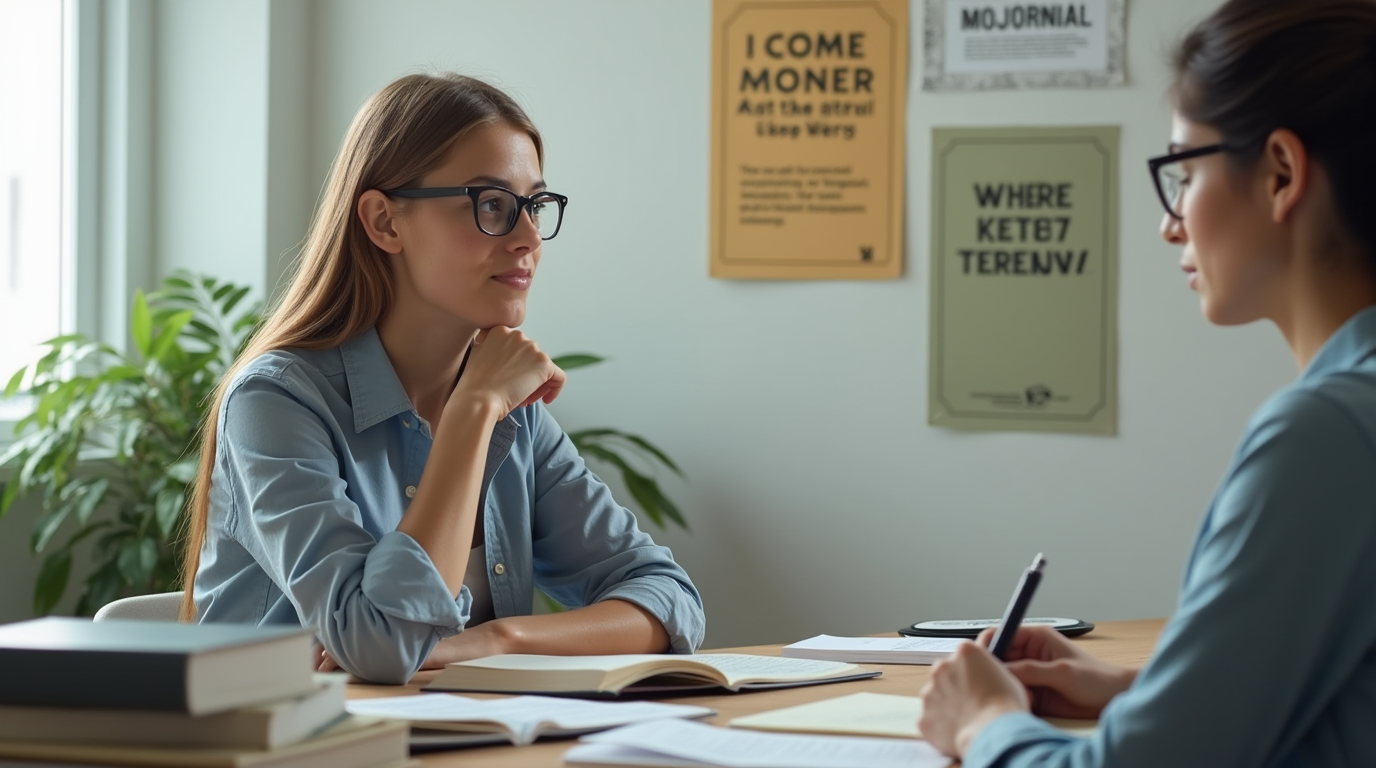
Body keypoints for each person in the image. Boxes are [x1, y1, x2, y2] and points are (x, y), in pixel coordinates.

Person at [918, 0, 1376, 764]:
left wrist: (983, 721)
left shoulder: (1327, 434)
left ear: (1281, 174)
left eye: (1184, 171)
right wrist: (1144, 693)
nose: (1171, 224)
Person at [178, 73, 705, 685]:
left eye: (533, 205)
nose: (529, 238)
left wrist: (496, 640)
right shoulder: (277, 401)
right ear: (384, 222)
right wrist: (474, 410)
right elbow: (380, 646)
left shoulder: (516, 411)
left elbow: (668, 598)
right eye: (491, 206)